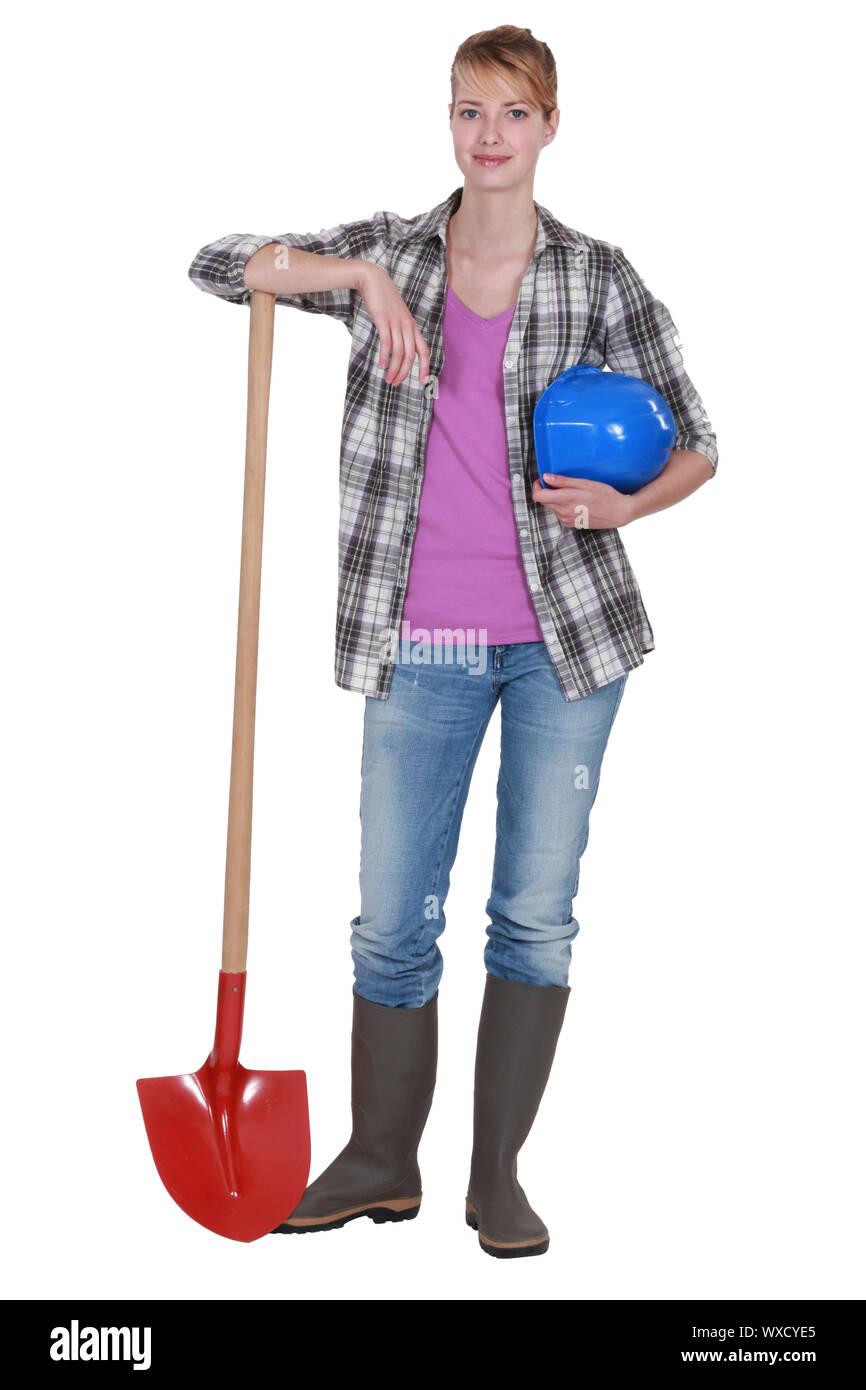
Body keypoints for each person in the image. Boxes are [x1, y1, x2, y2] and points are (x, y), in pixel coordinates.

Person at [188, 24, 718, 1259]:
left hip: (563, 644)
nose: (489, 135)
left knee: (533, 914)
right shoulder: (389, 251)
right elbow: (216, 263)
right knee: (389, 918)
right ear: (449, 122)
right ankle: (383, 1162)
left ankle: (494, 1176)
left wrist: (630, 501)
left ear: (548, 128)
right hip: (415, 639)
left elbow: (698, 434)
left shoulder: (596, 275)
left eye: (513, 114)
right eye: (468, 111)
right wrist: (358, 284)